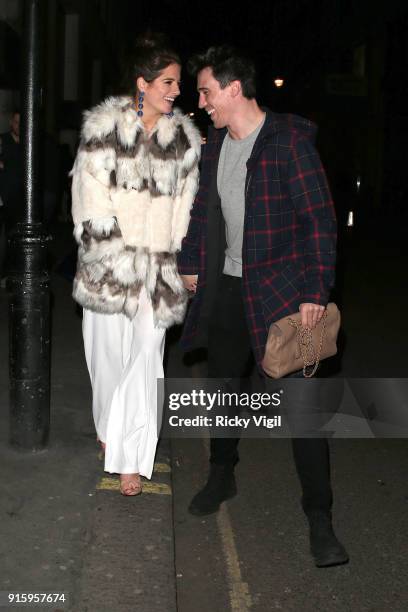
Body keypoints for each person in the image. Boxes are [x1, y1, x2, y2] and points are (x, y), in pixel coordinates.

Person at [177, 45, 349, 567]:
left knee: (301, 414)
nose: (201, 101)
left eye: (206, 90)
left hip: (282, 295)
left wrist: (314, 291)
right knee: (224, 392)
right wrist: (190, 262)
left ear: (233, 89)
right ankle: (221, 475)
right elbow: (202, 213)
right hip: (228, 289)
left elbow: (320, 221)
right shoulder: (214, 147)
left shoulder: (288, 145)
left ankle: (320, 520)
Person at [70, 34, 201, 496]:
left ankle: (131, 457)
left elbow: (187, 206)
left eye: (178, 83)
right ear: (142, 83)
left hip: (158, 271)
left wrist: (184, 256)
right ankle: (110, 428)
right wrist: (111, 255)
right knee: (106, 360)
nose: (176, 91)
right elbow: (88, 199)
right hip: (109, 267)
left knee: (146, 359)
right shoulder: (103, 130)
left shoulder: (184, 139)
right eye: (168, 82)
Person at [0, 110, 22, 282]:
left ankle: (10, 273)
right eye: (15, 122)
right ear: (10, 123)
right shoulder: (3, 140)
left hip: (19, 198)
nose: (18, 126)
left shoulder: (26, 144)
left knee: (14, 237)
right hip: (3, 197)